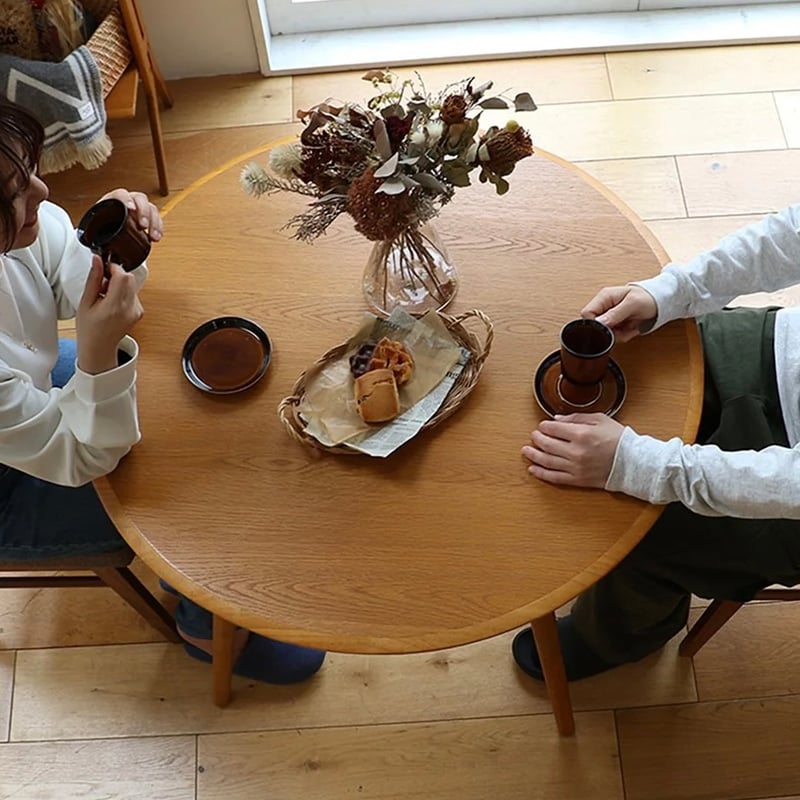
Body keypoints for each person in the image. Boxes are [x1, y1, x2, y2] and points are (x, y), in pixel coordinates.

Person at [0, 98, 325, 684]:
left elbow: (68, 274)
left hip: (30, 393)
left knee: (205, 420)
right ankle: (203, 623)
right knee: (203, 492)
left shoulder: (20, 231)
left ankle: (203, 582)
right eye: (15, 194)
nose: (44, 193)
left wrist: (117, 241)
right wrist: (97, 352)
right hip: (10, 489)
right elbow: (84, 456)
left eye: (28, 172)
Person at [512, 205, 800, 682]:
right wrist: (671, 291)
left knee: (647, 536)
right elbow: (791, 234)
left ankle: (617, 635)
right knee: (651, 355)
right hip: (781, 348)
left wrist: (640, 467)